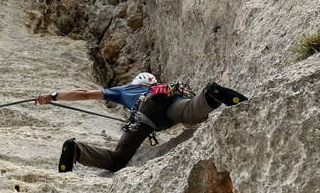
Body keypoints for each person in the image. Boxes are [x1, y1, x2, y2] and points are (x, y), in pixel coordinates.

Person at [34, 72, 247, 173]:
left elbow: (83, 94)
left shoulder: (125, 89)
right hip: (171, 104)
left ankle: (75, 150)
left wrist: (53, 96)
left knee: (117, 160)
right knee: (192, 112)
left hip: (147, 111)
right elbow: (189, 123)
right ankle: (210, 95)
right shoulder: (163, 87)